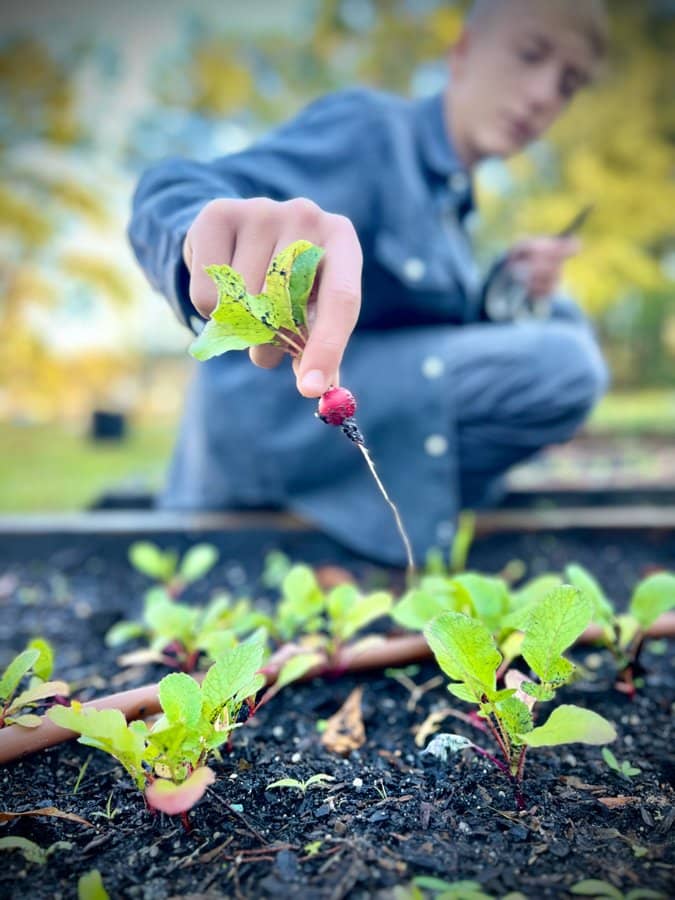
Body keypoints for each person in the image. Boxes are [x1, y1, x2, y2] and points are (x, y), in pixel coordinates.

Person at [128, 0, 610, 567]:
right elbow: (178, 188)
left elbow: (420, 334)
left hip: (360, 427)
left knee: (565, 316)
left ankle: (408, 507)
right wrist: (198, 231)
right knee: (567, 360)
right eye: (530, 54)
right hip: (271, 445)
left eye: (568, 84)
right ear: (463, 52)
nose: (542, 95)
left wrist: (509, 286)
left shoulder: (457, 216)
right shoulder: (372, 131)